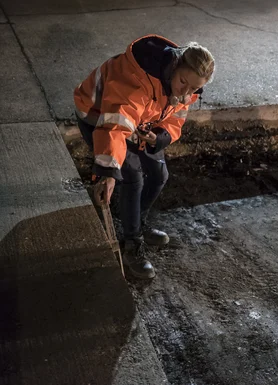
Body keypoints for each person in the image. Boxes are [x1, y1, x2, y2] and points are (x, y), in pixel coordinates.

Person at [74, 35, 215, 279]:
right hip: (98, 115)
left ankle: (137, 222)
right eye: (184, 83)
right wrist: (107, 173)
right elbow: (114, 127)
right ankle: (132, 242)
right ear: (174, 65)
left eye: (195, 89)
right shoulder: (134, 81)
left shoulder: (184, 86)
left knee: (160, 174)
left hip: (140, 123)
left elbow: (174, 119)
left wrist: (158, 137)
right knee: (131, 176)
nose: (186, 93)